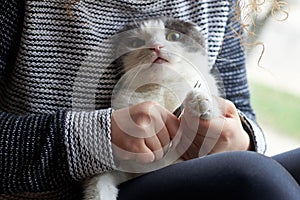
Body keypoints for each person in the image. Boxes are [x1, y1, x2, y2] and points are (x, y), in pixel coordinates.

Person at [1, 0, 299, 199]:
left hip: (186, 174)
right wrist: (95, 140)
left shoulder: (215, 3)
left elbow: (241, 110)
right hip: (85, 191)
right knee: (254, 175)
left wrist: (241, 138)